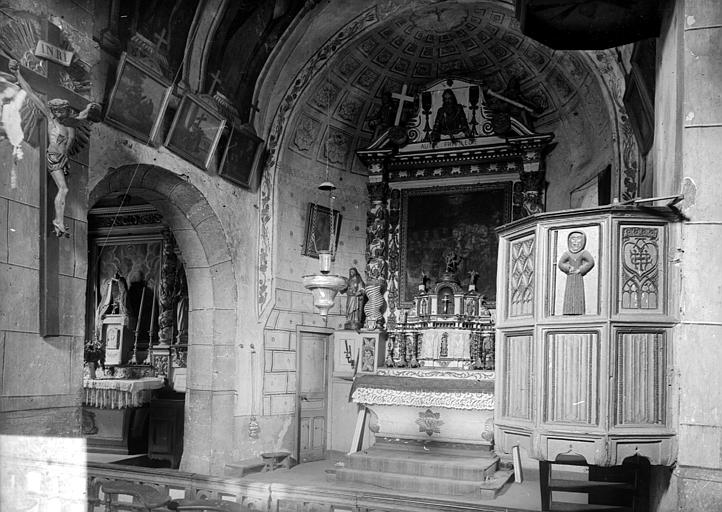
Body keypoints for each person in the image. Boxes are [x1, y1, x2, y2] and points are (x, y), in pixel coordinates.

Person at [10, 59, 100, 237]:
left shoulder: (71, 123)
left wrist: (91, 107)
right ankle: (58, 221)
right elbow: (31, 94)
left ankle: (59, 220)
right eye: (57, 111)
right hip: (53, 157)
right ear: (53, 111)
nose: (59, 114)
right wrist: (17, 73)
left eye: (62, 111)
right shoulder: (52, 120)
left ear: (66, 111)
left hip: (64, 159)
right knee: (64, 189)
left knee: (64, 189)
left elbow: (84, 115)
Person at [557, 231, 595, 315]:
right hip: (570, 277)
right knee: (569, 294)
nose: (575, 242)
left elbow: (590, 262)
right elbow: (560, 263)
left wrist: (580, 270)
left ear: (583, 241)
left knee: (578, 293)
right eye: (573, 239)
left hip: (578, 277)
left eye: (578, 239)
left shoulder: (584, 253)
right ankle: (568, 310)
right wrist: (568, 268)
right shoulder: (567, 253)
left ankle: (579, 310)